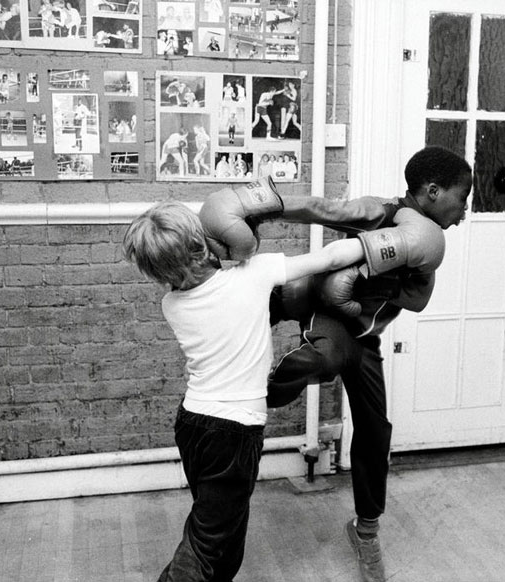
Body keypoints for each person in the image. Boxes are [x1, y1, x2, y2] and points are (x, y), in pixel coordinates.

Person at [199, 146, 473, 582]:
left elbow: (418, 300)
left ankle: (365, 530)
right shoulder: (377, 212)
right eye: (461, 200)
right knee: (322, 351)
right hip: (329, 315)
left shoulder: (423, 241)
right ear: (433, 191)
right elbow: (323, 209)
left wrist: (365, 273)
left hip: (363, 337)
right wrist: (262, 205)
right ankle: (260, 393)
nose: (462, 214)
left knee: (376, 428)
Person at [122, 193, 367, 582]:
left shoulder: (172, 304)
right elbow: (333, 258)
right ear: (202, 243)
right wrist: (387, 242)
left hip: (194, 425)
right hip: (233, 432)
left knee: (223, 533)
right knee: (207, 539)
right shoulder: (255, 274)